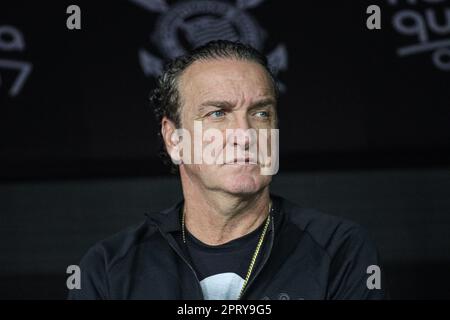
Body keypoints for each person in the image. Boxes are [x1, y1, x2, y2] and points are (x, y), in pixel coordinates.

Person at [68, 40, 386, 300]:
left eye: (261, 113)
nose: (244, 134)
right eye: (218, 113)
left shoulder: (337, 248)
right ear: (173, 139)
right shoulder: (110, 267)